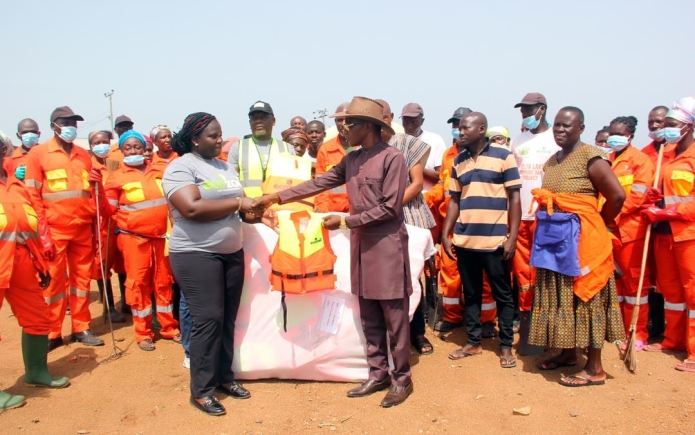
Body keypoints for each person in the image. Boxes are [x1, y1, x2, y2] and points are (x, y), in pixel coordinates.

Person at [253, 97, 414, 408]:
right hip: (361, 247)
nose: (343, 127)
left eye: (349, 123)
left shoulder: (392, 158)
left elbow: (390, 208)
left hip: (386, 246)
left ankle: (401, 379)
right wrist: (274, 197)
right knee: (368, 315)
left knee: (394, 317)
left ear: (368, 126)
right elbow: (318, 182)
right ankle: (378, 373)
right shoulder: (352, 160)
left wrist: (345, 220)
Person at [163, 112, 275, 416]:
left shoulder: (224, 166)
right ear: (194, 139)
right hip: (196, 254)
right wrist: (239, 204)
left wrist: (257, 213)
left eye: (221, 135)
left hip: (230, 252)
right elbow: (191, 208)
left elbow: (234, 209)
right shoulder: (180, 167)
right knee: (208, 319)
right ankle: (201, 390)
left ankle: (225, 377)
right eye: (213, 136)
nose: (219, 141)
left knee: (227, 318)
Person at [529, 106, 625, 386]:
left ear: (581, 128)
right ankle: (569, 353)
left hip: (583, 240)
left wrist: (598, 224)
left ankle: (595, 368)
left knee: (587, 297)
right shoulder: (551, 161)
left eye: (567, 126)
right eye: (557, 125)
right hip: (556, 242)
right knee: (562, 295)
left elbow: (617, 196)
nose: (560, 130)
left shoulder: (592, 157)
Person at [441, 112, 521, 368]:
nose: (460, 132)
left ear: (481, 129)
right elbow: (454, 200)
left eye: (465, 128)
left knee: (502, 295)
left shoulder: (503, 156)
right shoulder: (459, 161)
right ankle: (473, 342)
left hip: (495, 241)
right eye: (459, 128)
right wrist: (446, 233)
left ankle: (506, 346)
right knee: (471, 293)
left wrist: (512, 237)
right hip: (465, 241)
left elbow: (515, 199)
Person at [92, 130, 181, 351]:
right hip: (134, 240)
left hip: (162, 238)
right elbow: (108, 211)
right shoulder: (116, 178)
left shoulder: (160, 172)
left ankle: (168, 327)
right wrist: (98, 192)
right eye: (128, 148)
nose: (133, 150)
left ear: (144, 148)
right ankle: (143, 333)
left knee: (163, 282)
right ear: (122, 151)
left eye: (137, 147)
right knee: (138, 284)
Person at [25, 106, 104, 351]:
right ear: (53, 126)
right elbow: (32, 196)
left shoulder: (83, 154)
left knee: (81, 281)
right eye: (65, 121)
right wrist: (43, 234)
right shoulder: (38, 153)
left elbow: (89, 193)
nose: (70, 125)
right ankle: (53, 332)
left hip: (82, 227)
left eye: (74, 122)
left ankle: (81, 327)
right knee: (54, 284)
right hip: (54, 230)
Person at [0, 140, 70, 410]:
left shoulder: (16, 185)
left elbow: (29, 228)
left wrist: (40, 264)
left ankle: (36, 372)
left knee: (38, 317)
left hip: (22, 261)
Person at [641, 97, 695, 373]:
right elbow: (664, 193)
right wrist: (655, 197)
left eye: (672, 124)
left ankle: (694, 350)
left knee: (693, 292)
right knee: (671, 291)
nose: (666, 129)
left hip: (688, 234)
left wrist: (668, 213)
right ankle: (672, 340)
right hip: (663, 234)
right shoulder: (668, 155)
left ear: (688, 126)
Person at [378, 99, 436, 356]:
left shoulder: (408, 144)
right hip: (378, 218)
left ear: (390, 117)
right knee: (383, 277)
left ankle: (417, 334)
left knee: (412, 277)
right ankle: (388, 336)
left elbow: (416, 184)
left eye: (382, 114)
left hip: (408, 213)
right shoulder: (364, 147)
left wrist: (389, 207)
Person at [509, 92, 560, 352]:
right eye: (522, 110)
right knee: (523, 274)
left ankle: (551, 329)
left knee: (546, 271)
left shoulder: (556, 139)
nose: (525, 114)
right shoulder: (517, 141)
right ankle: (529, 330)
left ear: (542, 109)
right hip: (521, 217)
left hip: (548, 215)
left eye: (529, 110)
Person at [604, 116, 654, 351]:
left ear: (630, 136)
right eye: (611, 133)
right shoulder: (607, 159)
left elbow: (637, 195)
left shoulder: (640, 160)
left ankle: (637, 331)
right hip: (608, 231)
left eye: (619, 134)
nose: (613, 137)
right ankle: (618, 330)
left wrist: (611, 215)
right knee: (616, 285)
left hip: (630, 230)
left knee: (635, 286)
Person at [424, 106, 471, 332]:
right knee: (450, 273)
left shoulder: (487, 154)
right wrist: (426, 199)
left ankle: (487, 319)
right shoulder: (448, 155)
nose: (458, 130)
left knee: (479, 276)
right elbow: (443, 185)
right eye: (455, 125)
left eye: (462, 125)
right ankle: (453, 316)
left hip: (476, 225)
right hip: (450, 225)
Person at [87, 130, 127, 323]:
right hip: (100, 225)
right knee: (102, 265)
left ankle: (126, 302)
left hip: (119, 222)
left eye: (105, 141)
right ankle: (108, 307)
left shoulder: (116, 166)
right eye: (97, 142)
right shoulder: (89, 169)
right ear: (91, 146)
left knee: (122, 263)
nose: (101, 145)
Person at [641, 105, 670, 339]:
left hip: (679, 227)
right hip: (648, 226)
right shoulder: (645, 154)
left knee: (676, 284)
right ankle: (657, 327)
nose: (655, 125)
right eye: (651, 121)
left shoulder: (678, 153)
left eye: (659, 121)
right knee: (650, 279)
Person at [228, 101, 295, 198]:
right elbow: (231, 182)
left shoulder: (287, 148)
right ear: (250, 123)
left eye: (263, 118)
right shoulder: (237, 147)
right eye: (254, 118)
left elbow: (294, 181)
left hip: (278, 207)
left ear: (273, 121)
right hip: (248, 208)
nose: (258, 121)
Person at [314, 102, 352, 213]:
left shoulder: (363, 147)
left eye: (347, 119)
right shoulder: (326, 149)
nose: (343, 123)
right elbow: (320, 185)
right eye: (339, 120)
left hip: (359, 213)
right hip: (333, 213)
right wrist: (323, 211)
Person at [400, 103, 446, 192]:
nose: (409, 126)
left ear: (422, 121)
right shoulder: (397, 142)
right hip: (403, 200)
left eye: (413, 121)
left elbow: (441, 177)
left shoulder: (435, 140)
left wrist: (414, 166)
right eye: (405, 121)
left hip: (428, 200)